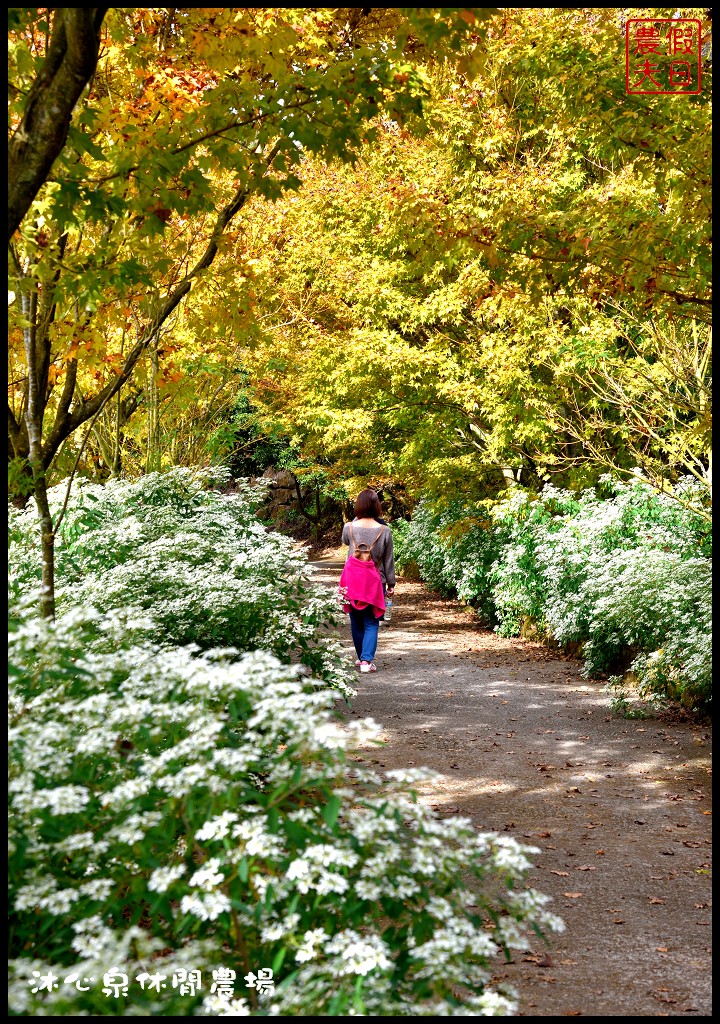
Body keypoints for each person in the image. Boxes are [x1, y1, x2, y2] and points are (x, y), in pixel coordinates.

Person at [339, 488, 396, 674]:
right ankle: (366, 660)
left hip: (352, 580)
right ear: (377, 507)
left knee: (355, 620)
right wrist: (391, 584)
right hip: (375, 581)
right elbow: (388, 560)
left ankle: (361, 657)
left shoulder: (349, 527)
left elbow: (345, 541)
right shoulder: (384, 530)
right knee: (371, 622)